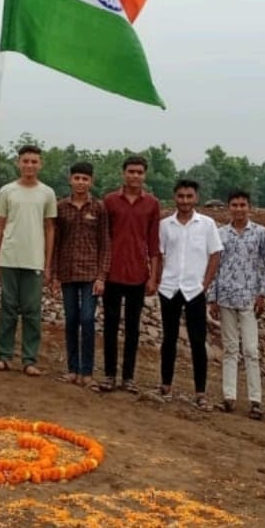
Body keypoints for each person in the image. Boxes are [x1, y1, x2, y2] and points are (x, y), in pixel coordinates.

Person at [0, 144, 56, 376]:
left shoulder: (47, 193)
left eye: (34, 161)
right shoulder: (7, 191)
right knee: (8, 309)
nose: (29, 165)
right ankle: (4, 356)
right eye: (25, 161)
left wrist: (47, 264)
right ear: (18, 163)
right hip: (9, 257)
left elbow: (49, 228)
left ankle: (29, 359)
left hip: (34, 259)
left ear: (40, 164)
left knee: (31, 311)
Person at [157, 179, 223, 410]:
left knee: (197, 341)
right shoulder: (165, 225)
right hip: (170, 288)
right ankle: (165, 385)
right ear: (175, 197)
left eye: (189, 196)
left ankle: (200, 392)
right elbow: (158, 253)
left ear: (196, 198)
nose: (185, 201)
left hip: (195, 289)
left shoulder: (206, 224)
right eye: (181, 196)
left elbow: (215, 254)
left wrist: (205, 284)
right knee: (169, 338)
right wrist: (157, 279)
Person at [208, 190, 265, 419]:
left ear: (249, 207)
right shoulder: (220, 234)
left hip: (249, 299)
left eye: (242, 204)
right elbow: (214, 266)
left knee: (251, 350)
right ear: (228, 207)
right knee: (230, 348)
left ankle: (256, 400)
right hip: (225, 297)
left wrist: (262, 294)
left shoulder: (260, 233)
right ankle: (229, 397)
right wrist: (212, 297)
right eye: (234, 204)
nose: (238, 208)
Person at [100, 155, 161, 393]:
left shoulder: (152, 204)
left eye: (139, 172)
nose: (135, 176)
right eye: (131, 171)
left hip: (138, 274)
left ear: (145, 175)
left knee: (133, 328)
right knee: (110, 326)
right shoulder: (110, 201)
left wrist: (154, 276)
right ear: (123, 173)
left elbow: (154, 243)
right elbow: (103, 238)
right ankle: (109, 375)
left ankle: (128, 377)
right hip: (112, 272)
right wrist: (100, 273)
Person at [49, 162, 110, 388]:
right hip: (66, 273)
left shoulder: (99, 208)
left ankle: (87, 372)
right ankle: (72, 370)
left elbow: (105, 243)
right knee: (71, 320)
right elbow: (56, 242)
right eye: (77, 178)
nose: (81, 182)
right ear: (70, 180)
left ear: (91, 181)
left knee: (87, 319)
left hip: (90, 274)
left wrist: (102, 276)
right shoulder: (61, 207)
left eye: (85, 179)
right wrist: (54, 273)